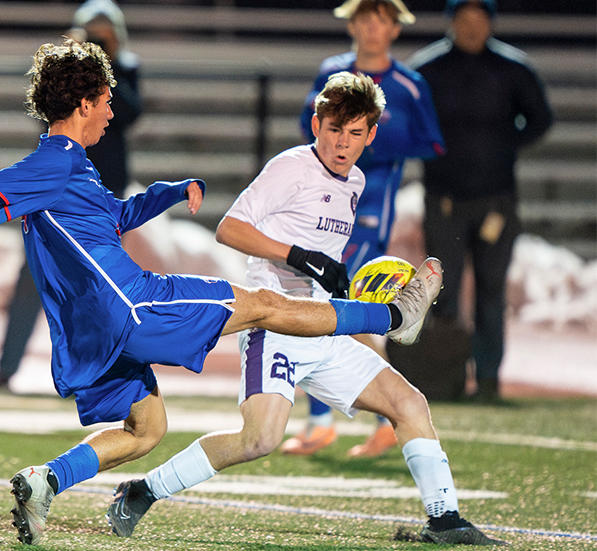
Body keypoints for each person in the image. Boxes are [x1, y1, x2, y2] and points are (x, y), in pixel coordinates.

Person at [0, 41, 440, 546]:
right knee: (263, 306)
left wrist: (165, 193)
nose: (113, 114)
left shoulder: (72, 167)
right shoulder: (54, 162)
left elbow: (115, 218)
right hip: (134, 304)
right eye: (108, 103)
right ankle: (391, 316)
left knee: (146, 429)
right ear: (84, 103)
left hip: (98, 328)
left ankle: (44, 481)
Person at [106, 72, 505, 546]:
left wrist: (335, 271)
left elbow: (318, 247)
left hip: (321, 323)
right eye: (334, 129)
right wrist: (300, 256)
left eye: (355, 133)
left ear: (371, 135)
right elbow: (230, 228)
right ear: (316, 123)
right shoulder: (292, 167)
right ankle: (142, 491)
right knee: (259, 440)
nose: (343, 143)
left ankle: (444, 521)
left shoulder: (354, 181)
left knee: (410, 405)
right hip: (274, 326)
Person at [285, 0, 445, 458]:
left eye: (382, 19)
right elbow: (306, 126)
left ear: (395, 29)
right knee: (333, 312)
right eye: (365, 18)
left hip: (371, 212)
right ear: (352, 24)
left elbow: (433, 142)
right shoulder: (331, 73)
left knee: (337, 311)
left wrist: (373, 140)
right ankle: (358, 419)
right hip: (325, 207)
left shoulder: (409, 85)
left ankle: (355, 419)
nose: (372, 28)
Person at [0, 0, 143, 392]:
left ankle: (97, 374)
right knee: (32, 276)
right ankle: (7, 369)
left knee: (97, 281)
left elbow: (128, 113)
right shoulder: (64, 69)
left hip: (101, 188)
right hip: (57, 184)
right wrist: (75, 64)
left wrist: (107, 68)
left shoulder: (127, 69)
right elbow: (43, 111)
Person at [409, 0, 552, 403]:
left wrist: (503, 147)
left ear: (490, 23)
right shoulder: (427, 69)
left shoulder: (513, 69)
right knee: (443, 291)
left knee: (492, 289)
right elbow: (407, 120)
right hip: (444, 200)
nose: (472, 27)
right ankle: (445, 377)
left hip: (496, 201)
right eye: (464, 19)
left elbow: (541, 117)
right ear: (451, 22)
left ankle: (488, 380)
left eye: (480, 19)